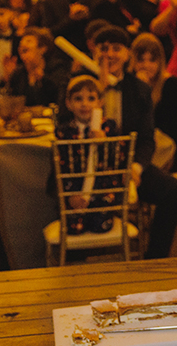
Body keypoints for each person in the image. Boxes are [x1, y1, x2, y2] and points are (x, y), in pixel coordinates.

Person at [92, 25, 177, 258]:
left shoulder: (139, 89)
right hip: (88, 171)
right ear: (95, 53)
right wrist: (98, 93)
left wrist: (136, 167)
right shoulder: (80, 85)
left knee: (174, 191)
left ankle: (154, 259)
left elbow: (146, 139)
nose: (110, 55)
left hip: (128, 166)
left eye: (116, 49)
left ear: (126, 55)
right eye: (103, 49)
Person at [52, 75, 123, 235]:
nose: (85, 104)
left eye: (91, 98)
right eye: (78, 99)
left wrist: (105, 142)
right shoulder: (64, 132)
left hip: (103, 192)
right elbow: (61, 168)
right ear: (68, 104)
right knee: (74, 228)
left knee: (100, 226)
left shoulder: (109, 128)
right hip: (75, 191)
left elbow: (119, 160)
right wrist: (70, 195)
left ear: (100, 102)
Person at [130, 34, 177, 173]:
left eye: (152, 60)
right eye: (141, 60)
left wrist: (144, 94)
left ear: (160, 61)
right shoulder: (129, 85)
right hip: (139, 147)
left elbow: (170, 126)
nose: (146, 66)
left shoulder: (170, 84)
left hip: (167, 148)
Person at [4, 27, 67, 107]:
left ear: (42, 48)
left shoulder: (57, 68)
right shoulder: (19, 73)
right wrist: (8, 78)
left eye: (29, 41)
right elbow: (12, 101)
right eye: (21, 41)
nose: (22, 44)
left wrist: (43, 80)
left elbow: (58, 97)